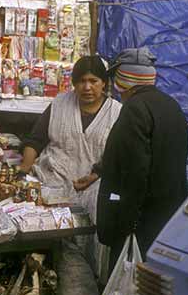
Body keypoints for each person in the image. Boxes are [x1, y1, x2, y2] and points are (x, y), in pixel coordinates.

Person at [97, 47, 188, 295]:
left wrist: (125, 219)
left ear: (125, 79)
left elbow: (134, 170)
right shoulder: (171, 106)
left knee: (126, 287)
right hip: (164, 218)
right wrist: (98, 169)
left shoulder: (134, 110)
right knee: (150, 290)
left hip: (136, 218)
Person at [20, 55, 122, 219]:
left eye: (93, 81)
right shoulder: (60, 104)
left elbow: (119, 157)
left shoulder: (116, 113)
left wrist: (95, 176)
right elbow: (36, 140)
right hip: (50, 182)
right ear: (74, 83)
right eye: (81, 81)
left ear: (103, 82)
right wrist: (24, 168)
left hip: (92, 190)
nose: (87, 87)